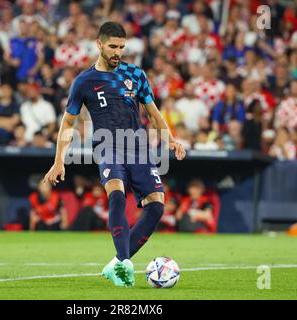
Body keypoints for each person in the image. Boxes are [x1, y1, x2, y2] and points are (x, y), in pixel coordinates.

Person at [43, 22, 186, 287]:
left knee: (156, 206)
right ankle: (125, 265)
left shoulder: (135, 74)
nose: (117, 52)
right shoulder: (84, 81)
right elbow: (68, 123)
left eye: (121, 46)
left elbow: (154, 114)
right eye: (112, 46)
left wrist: (171, 140)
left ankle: (118, 262)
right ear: (99, 44)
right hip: (108, 146)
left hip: (138, 148)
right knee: (117, 193)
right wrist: (59, 160)